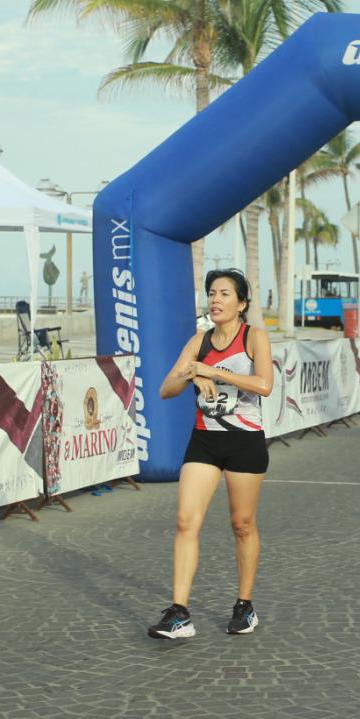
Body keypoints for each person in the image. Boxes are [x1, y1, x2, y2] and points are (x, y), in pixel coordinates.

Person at [148, 269, 274, 640]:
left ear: (242, 303)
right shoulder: (198, 341)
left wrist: (213, 372)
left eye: (224, 294)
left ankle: (244, 605)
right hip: (204, 441)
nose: (216, 300)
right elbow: (165, 390)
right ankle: (180, 613)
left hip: (244, 442)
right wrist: (191, 374)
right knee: (186, 521)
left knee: (242, 525)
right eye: (212, 293)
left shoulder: (255, 338)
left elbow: (264, 385)